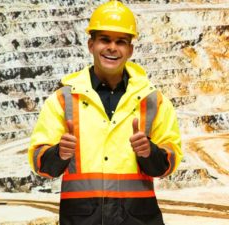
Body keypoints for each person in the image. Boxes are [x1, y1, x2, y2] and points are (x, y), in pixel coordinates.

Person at [28, 1, 182, 224]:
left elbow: (170, 162)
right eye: (105, 40)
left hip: (136, 217)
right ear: (91, 45)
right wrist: (58, 153)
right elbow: (38, 161)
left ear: (130, 49)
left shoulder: (153, 101)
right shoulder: (64, 100)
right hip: (82, 218)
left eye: (121, 41)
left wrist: (150, 152)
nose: (112, 47)